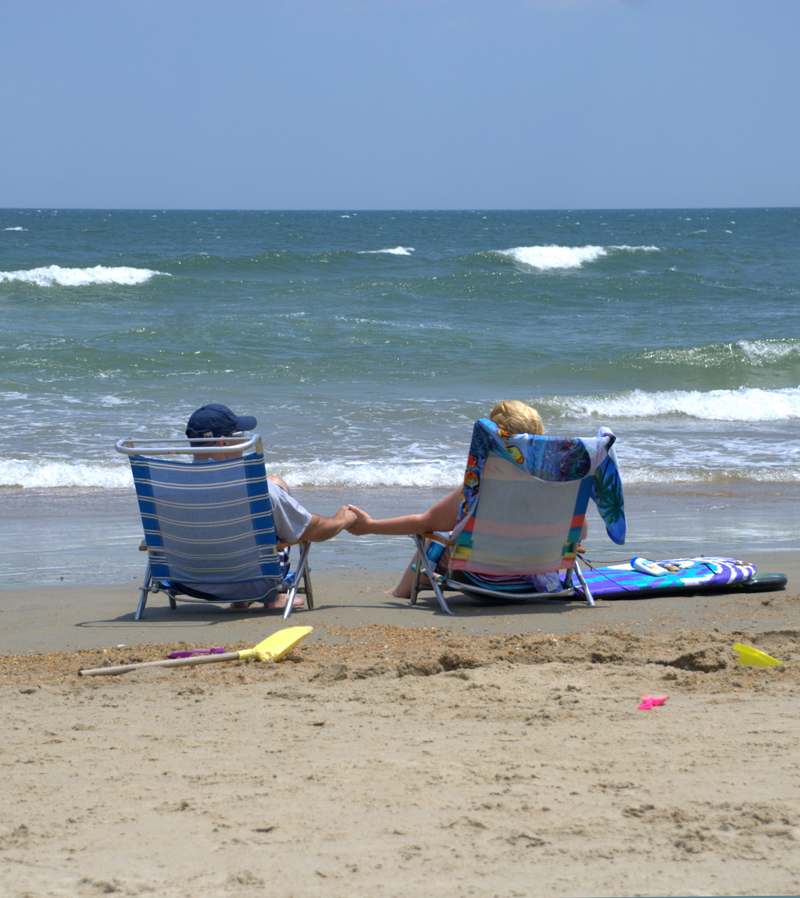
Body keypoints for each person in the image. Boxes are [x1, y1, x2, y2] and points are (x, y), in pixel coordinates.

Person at [345, 400, 555, 597]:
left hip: (483, 579)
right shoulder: (556, 484)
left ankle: (400, 591)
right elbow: (579, 532)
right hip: (534, 580)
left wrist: (370, 526)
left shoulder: (481, 485)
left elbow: (424, 522)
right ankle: (421, 582)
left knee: (432, 534)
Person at [182, 403, 356, 608]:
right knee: (282, 517)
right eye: (239, 434)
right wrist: (344, 519)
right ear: (223, 443)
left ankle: (243, 597)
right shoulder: (258, 490)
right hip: (250, 583)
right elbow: (314, 530)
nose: (244, 439)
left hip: (189, 582)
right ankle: (271, 596)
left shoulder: (168, 487)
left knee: (275, 483)